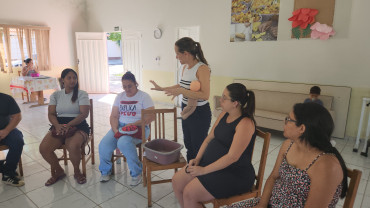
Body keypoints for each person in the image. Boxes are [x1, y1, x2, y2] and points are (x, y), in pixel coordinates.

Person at [229, 102, 348, 208]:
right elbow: (273, 177)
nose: (284, 122)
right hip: (272, 202)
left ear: (302, 128)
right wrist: (262, 204)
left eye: (289, 119)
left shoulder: (326, 165)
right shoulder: (288, 145)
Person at [172, 83, 257, 208]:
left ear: (235, 103)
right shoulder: (224, 114)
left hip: (234, 174)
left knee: (190, 193)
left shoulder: (245, 123)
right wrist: (197, 159)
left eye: (224, 97)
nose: (220, 100)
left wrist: (204, 170)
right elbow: (208, 139)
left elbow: (232, 157)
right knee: (177, 182)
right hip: (212, 164)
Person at [150, 37, 212, 162]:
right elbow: (181, 85)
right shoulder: (185, 67)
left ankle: (199, 175)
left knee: (198, 146)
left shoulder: (202, 68)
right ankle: (190, 170)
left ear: (186, 53)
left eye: (177, 53)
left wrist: (182, 92)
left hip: (200, 112)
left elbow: (205, 95)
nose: (176, 57)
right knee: (188, 144)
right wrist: (162, 88)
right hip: (186, 108)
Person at [99, 71, 154, 186]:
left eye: (130, 86)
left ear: (136, 84)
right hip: (120, 127)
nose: (127, 89)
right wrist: (115, 130)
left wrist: (133, 124)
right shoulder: (119, 97)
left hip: (140, 127)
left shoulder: (144, 96)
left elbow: (151, 116)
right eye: (124, 87)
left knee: (123, 143)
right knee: (104, 144)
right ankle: (105, 170)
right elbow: (114, 116)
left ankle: (137, 172)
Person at [39, 68, 90, 186]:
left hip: (78, 125)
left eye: (74, 78)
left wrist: (69, 125)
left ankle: (77, 172)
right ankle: (59, 171)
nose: (72, 80)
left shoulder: (82, 94)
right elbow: (51, 114)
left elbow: (84, 114)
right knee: (44, 148)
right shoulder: (56, 95)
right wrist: (57, 125)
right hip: (59, 125)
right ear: (63, 80)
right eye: (69, 78)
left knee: (72, 145)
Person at [0, 93, 25, 187]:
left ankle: (7, 173)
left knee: (18, 140)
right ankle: (5, 169)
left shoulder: (6, 98)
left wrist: (6, 131)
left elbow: (17, 116)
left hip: (7, 129)